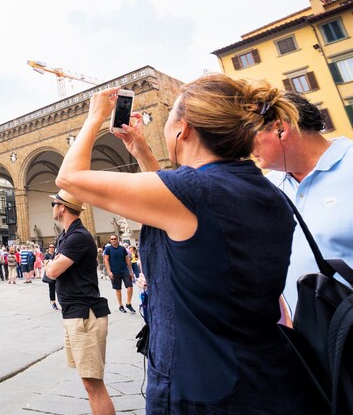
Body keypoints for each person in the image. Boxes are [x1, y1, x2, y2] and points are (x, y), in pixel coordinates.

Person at [55, 75, 313, 412]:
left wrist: (93, 118)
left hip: (202, 388)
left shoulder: (194, 192)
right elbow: (172, 210)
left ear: (184, 128)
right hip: (264, 373)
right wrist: (141, 150)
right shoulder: (266, 192)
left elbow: (69, 179)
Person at [251, 90, 353, 317]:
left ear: (280, 129)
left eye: (249, 134)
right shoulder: (269, 186)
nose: (247, 147)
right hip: (308, 342)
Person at [45, 190, 114, 415]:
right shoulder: (66, 235)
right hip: (74, 314)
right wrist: (51, 267)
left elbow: (53, 270)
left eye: (54, 204)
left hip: (85, 315)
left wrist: (51, 266)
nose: (53, 207)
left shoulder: (78, 237)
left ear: (62, 207)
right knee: (88, 383)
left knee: (94, 384)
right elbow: (51, 271)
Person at [103, 235, 135, 313]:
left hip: (124, 270)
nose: (113, 240)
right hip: (114, 271)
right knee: (118, 289)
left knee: (130, 286)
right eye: (112, 239)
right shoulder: (108, 249)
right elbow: (106, 260)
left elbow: (127, 259)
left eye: (115, 239)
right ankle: (121, 305)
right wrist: (109, 271)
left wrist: (131, 271)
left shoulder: (122, 248)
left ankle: (128, 303)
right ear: (110, 240)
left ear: (117, 240)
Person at [44, 243, 58, 310]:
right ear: (48, 248)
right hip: (51, 273)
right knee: (52, 289)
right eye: (50, 247)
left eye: (53, 247)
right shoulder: (47, 255)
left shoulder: (56, 254)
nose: (52, 248)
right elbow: (45, 263)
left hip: (57, 273)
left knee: (59, 288)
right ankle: (53, 302)